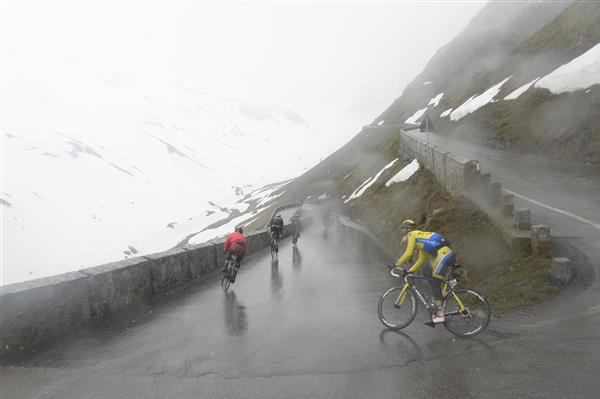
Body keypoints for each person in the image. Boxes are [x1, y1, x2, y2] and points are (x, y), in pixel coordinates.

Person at [394, 219, 455, 324]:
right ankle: (442, 294)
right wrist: (410, 271)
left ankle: (440, 315)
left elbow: (408, 253)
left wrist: (395, 265)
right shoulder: (421, 239)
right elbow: (421, 259)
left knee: (435, 282)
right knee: (427, 271)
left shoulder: (411, 235)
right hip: (446, 253)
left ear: (406, 230)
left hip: (444, 254)